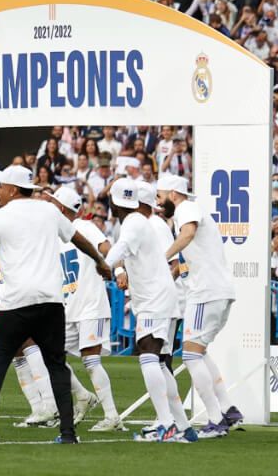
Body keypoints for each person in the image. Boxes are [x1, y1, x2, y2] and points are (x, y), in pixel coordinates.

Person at [0, 165, 111, 445]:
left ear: (12, 189)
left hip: (15, 302)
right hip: (51, 302)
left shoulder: (1, 216)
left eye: (1, 187)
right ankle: (67, 432)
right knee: (57, 366)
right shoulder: (50, 211)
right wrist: (101, 263)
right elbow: (80, 240)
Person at [102, 179, 195, 443]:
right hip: (158, 296)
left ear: (116, 203)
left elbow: (120, 249)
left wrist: (103, 265)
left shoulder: (135, 222)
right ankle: (182, 425)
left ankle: (166, 425)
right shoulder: (141, 223)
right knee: (160, 362)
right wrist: (116, 268)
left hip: (155, 298)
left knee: (148, 355)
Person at [157, 174, 244, 435]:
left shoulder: (186, 208)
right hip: (214, 291)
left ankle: (216, 420)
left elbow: (188, 234)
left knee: (191, 355)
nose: (159, 203)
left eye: (160, 196)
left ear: (174, 194)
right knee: (200, 352)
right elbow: (187, 254)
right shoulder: (188, 211)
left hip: (205, 293)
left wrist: (163, 257)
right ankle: (228, 410)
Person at [46, 186, 123, 432]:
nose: (50, 206)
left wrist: (118, 270)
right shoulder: (53, 233)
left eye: (53, 202)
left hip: (90, 304)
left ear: (62, 208)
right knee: (51, 356)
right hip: (67, 307)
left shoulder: (86, 227)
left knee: (91, 361)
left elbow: (106, 248)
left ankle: (112, 416)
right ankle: (82, 395)